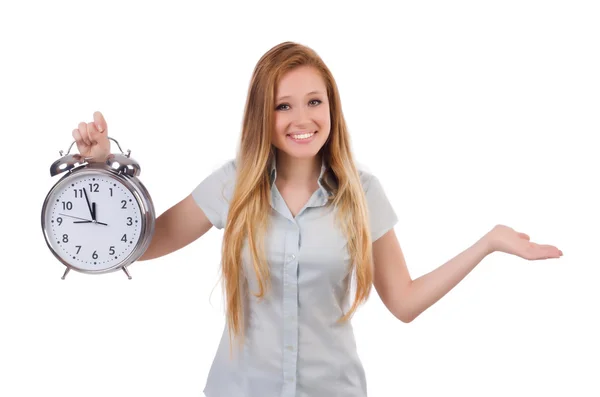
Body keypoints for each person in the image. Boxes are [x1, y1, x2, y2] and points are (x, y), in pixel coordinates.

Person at [70, 41, 563, 397]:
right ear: (264, 114)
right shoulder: (236, 182)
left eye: (314, 102)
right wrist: (98, 172)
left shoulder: (362, 192)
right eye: (283, 105)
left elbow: (405, 302)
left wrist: (489, 243)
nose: (301, 119)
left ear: (331, 107)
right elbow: (147, 241)